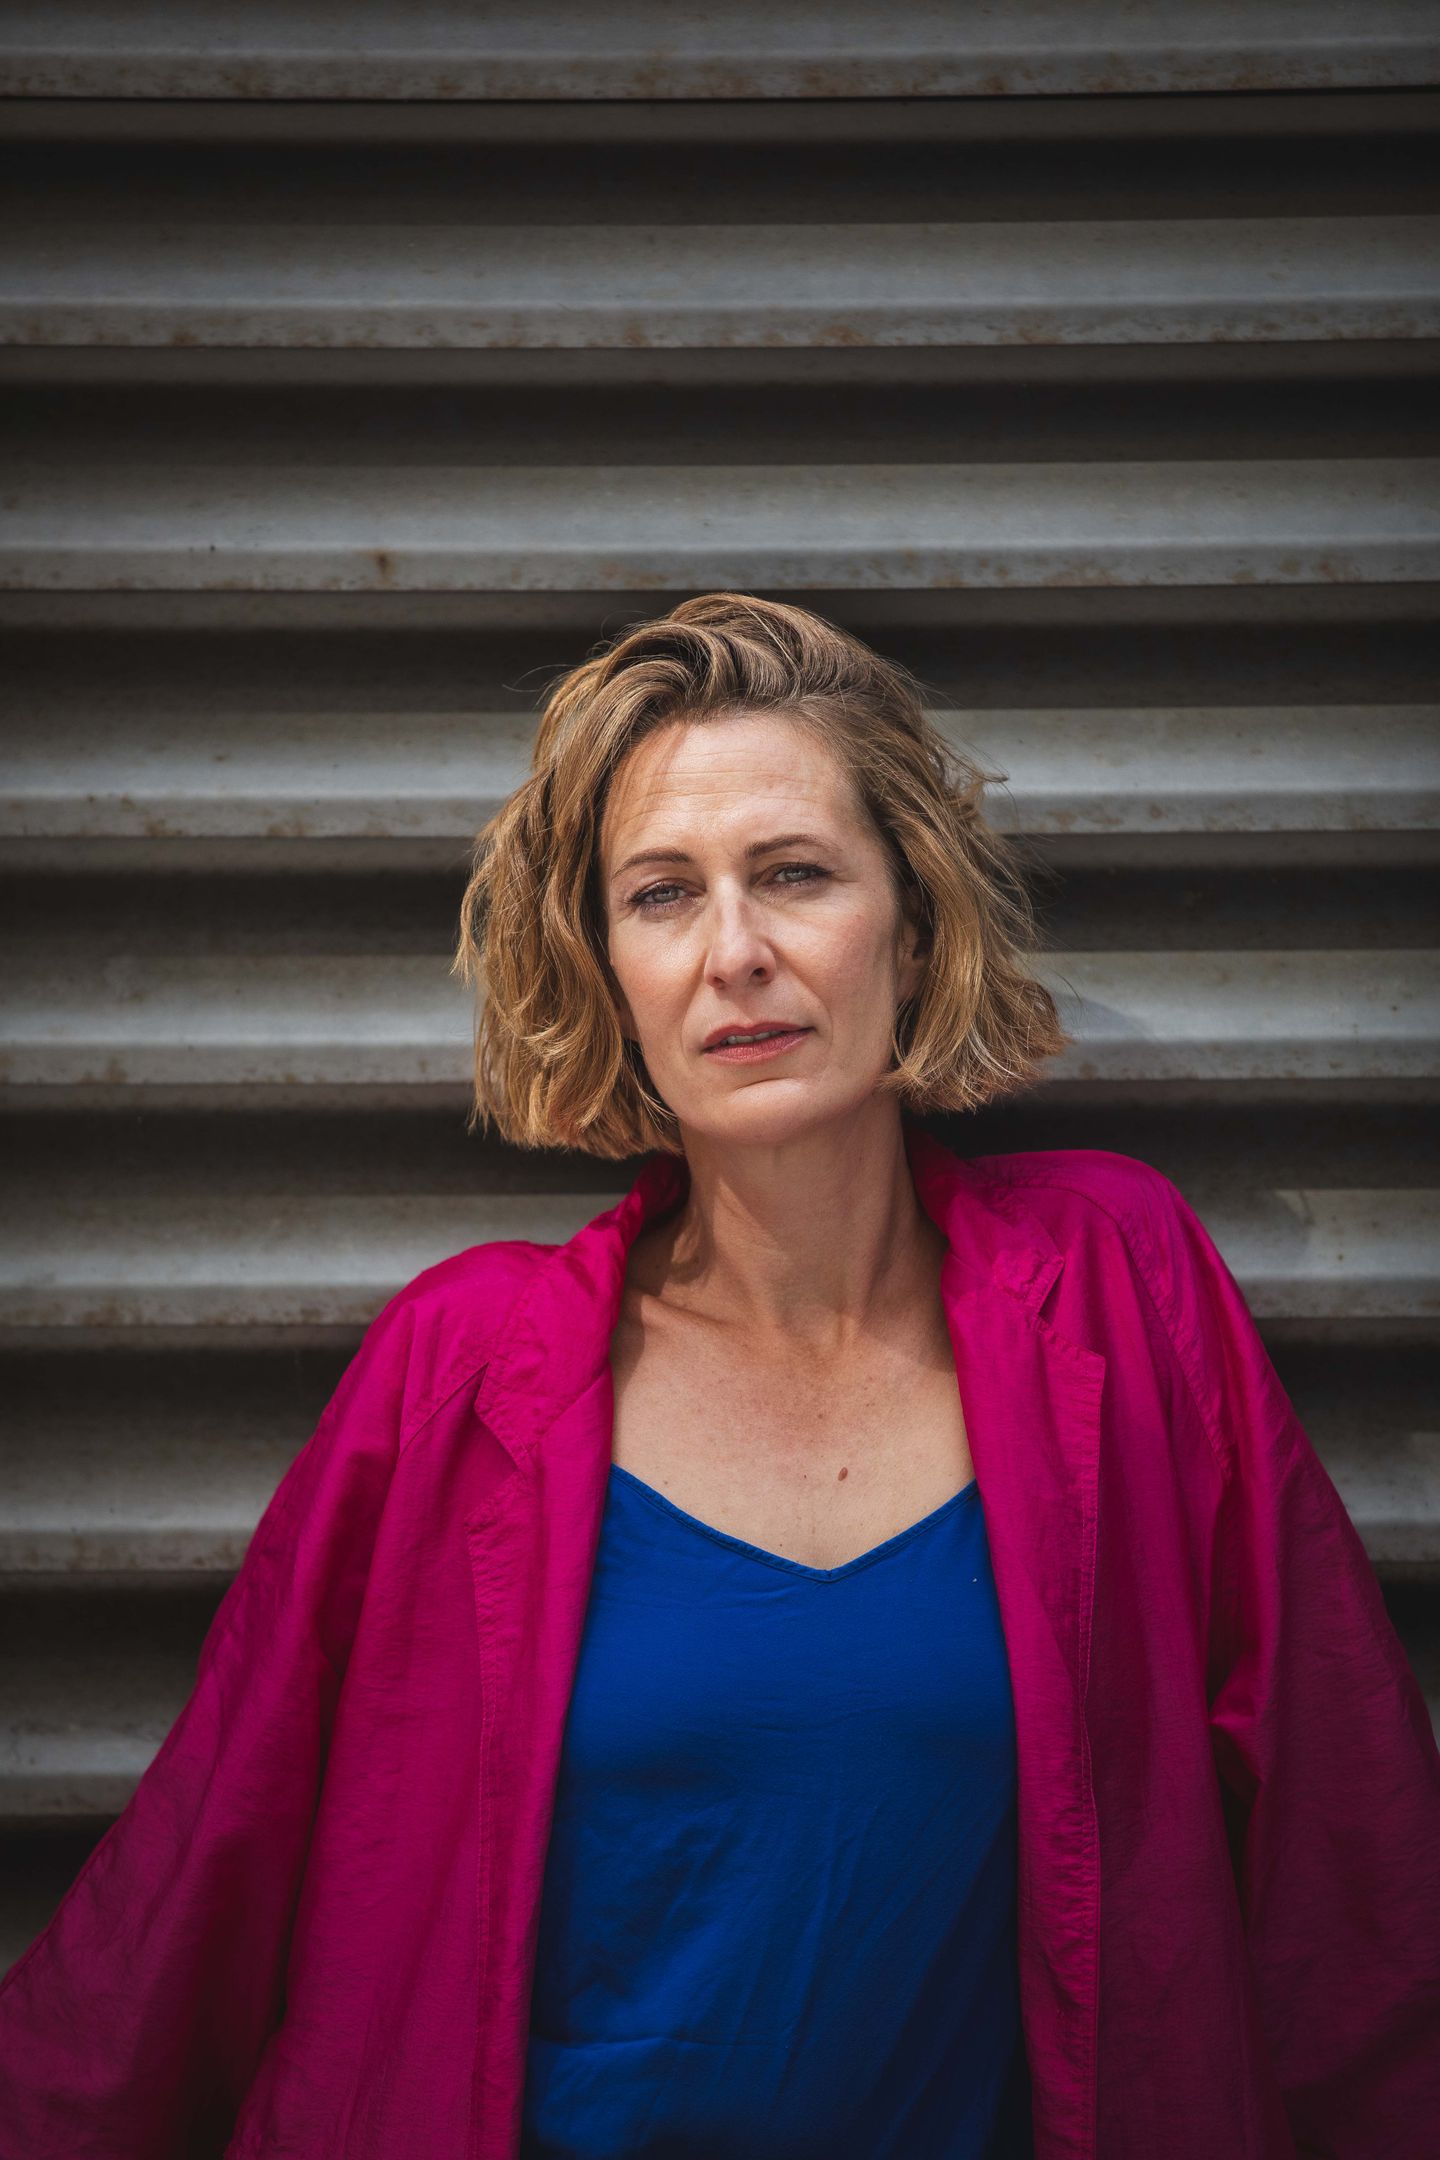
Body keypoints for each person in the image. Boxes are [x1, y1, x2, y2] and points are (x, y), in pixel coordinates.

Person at [1, 593, 1436, 2160]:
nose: (736, 952)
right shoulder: (464, 1367)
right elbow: (184, 1908)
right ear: (607, 966)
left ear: (914, 925)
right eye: (663, 894)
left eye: (796, 874)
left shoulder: (1111, 1287)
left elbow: (1354, 1877)